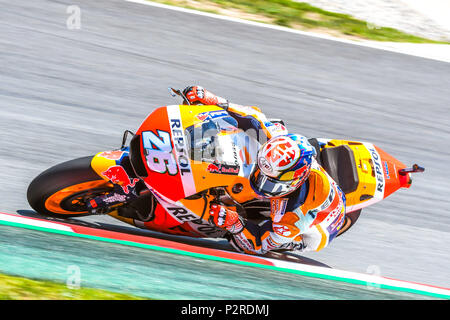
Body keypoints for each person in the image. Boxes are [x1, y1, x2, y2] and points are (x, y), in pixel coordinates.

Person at [181, 86, 346, 255]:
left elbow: (259, 245)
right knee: (253, 131)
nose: (260, 182)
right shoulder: (280, 141)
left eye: (269, 183)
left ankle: (296, 241)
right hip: (308, 185)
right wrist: (215, 100)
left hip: (318, 229)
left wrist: (235, 224)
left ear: (292, 183)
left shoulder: (293, 218)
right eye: (261, 174)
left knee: (238, 244)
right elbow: (253, 117)